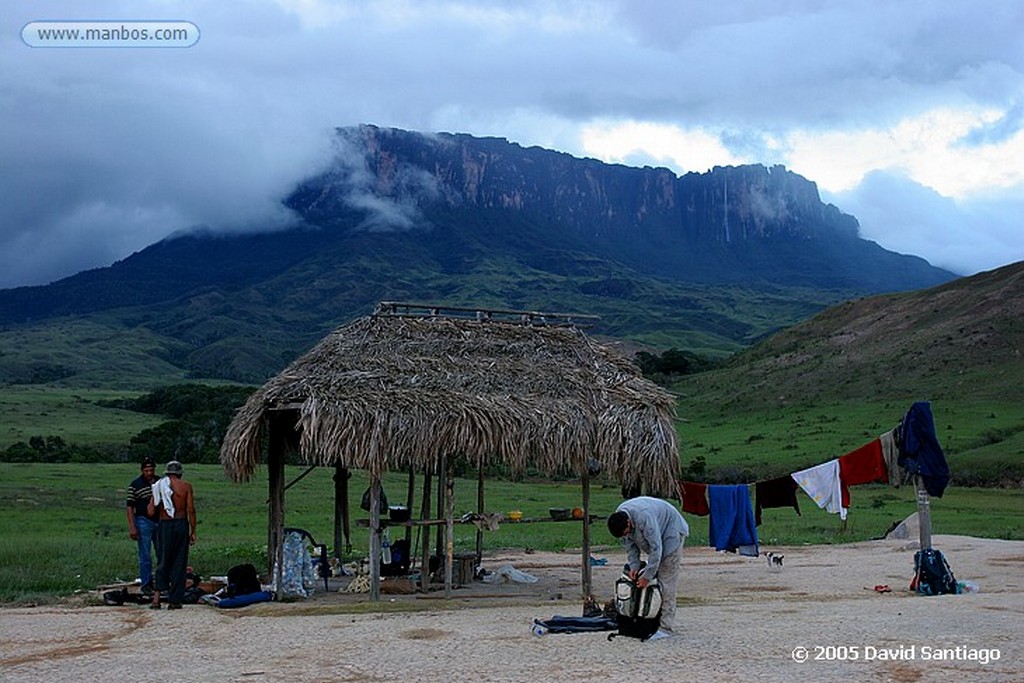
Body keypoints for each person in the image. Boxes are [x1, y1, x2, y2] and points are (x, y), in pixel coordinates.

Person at [607, 496, 689, 641]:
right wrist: (634, 566)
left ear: (628, 522)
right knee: (649, 576)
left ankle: (665, 628)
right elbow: (630, 546)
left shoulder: (644, 518)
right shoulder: (620, 519)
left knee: (666, 581)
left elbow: (656, 549)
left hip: (671, 534)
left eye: (626, 531)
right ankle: (650, 621)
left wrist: (647, 576)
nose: (626, 535)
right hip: (656, 538)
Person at [148, 460, 197, 610]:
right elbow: (191, 510)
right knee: (179, 562)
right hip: (181, 524)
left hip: (165, 524)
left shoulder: (159, 486)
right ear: (180, 473)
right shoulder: (186, 487)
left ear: (167, 473)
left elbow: (150, 511)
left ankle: (156, 599)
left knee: (163, 560)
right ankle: (174, 600)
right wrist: (193, 531)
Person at [126, 457, 160, 595]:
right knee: (145, 555)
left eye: (151, 470)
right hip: (143, 521)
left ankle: (160, 582)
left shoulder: (160, 482)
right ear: (142, 470)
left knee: (161, 553)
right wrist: (132, 526)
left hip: (159, 521)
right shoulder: (135, 484)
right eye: (146, 470)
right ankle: (146, 583)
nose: (149, 473)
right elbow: (129, 507)